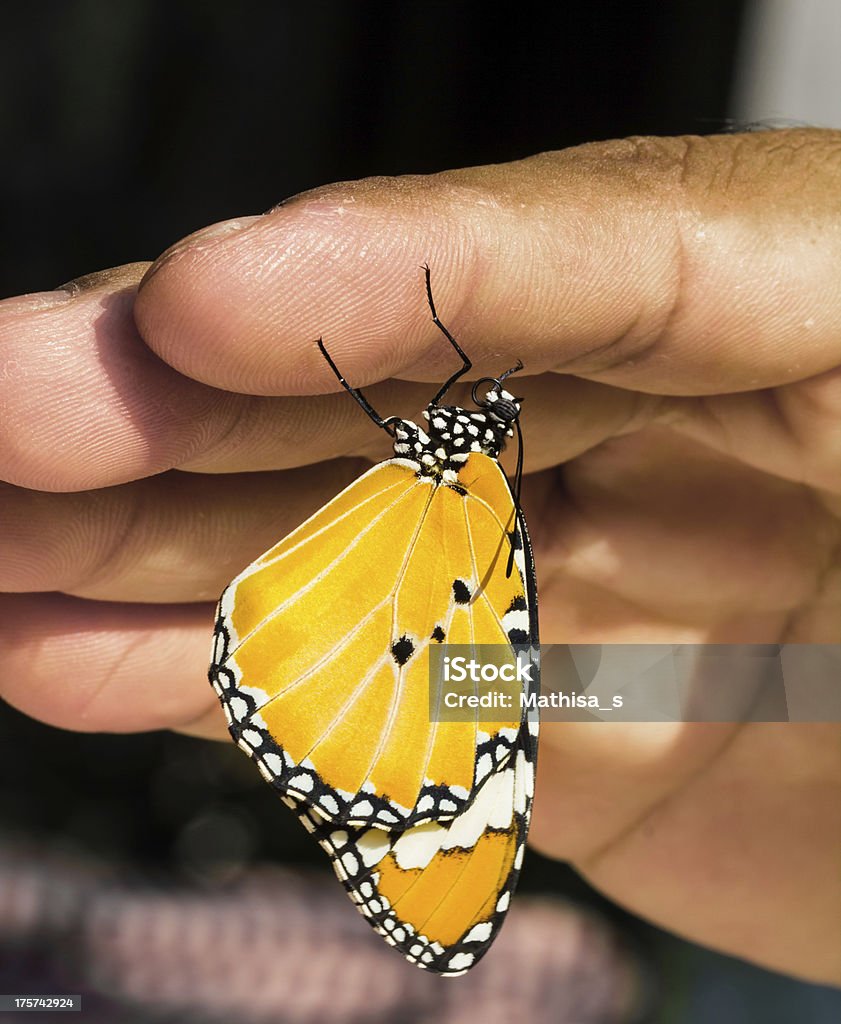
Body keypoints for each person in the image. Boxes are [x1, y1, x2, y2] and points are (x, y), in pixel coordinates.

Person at [0, 127, 838, 987]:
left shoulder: (478, 495)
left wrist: (797, 688)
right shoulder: (477, 494)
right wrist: (806, 682)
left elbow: (498, 684)